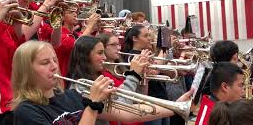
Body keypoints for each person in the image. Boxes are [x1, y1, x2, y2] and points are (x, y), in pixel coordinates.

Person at [12, 40, 193, 125]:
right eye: (45, 63)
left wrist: (175, 107)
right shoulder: (26, 111)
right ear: (26, 71)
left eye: (54, 60)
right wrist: (92, 106)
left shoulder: (71, 96)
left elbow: (128, 113)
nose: (54, 67)